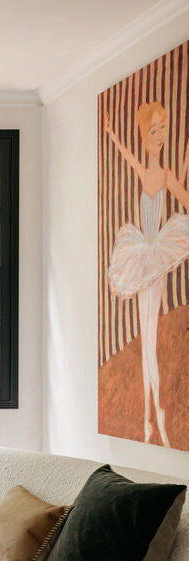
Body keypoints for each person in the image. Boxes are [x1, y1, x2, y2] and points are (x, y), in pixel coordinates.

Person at [104, 102, 189, 447]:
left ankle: (158, 418)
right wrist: (110, 133)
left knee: (152, 339)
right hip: (142, 254)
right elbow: (126, 155)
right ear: (144, 135)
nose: (159, 135)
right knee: (146, 339)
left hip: (154, 253)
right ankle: (148, 420)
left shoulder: (165, 175)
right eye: (154, 130)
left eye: (163, 128)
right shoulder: (145, 171)